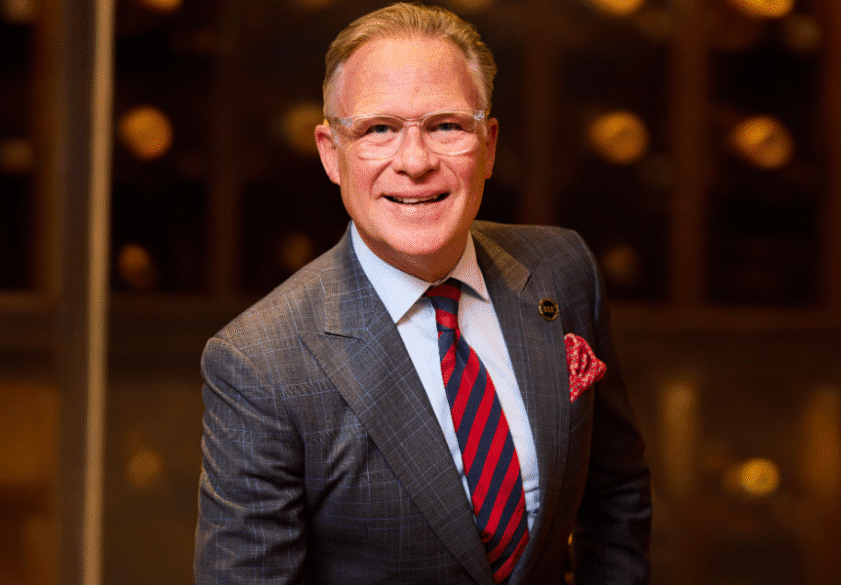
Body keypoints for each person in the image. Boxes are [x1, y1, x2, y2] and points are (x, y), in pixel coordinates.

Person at [195, 3, 650, 584]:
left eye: (446, 126)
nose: (414, 162)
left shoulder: (564, 268)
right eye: (378, 129)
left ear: (487, 146)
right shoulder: (261, 362)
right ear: (331, 153)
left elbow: (615, 493)